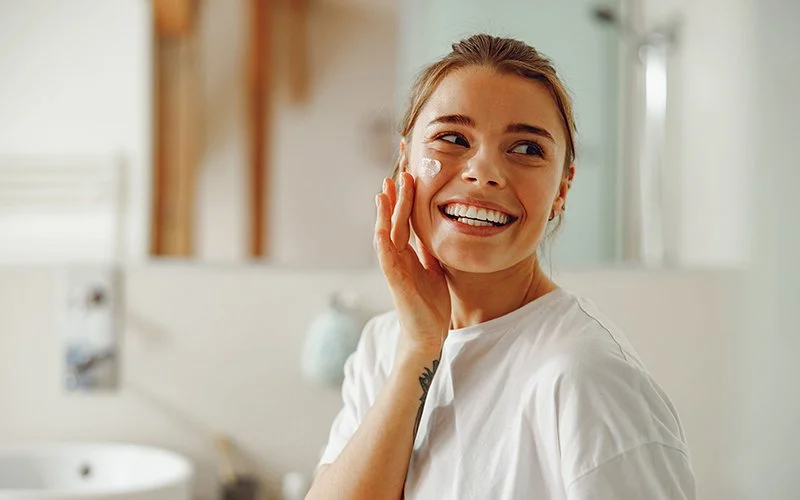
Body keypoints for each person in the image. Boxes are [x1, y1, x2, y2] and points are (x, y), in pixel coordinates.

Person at [306, 33, 696, 500]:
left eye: (527, 149)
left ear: (562, 190)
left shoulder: (586, 378)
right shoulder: (384, 346)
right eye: (452, 138)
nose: (484, 170)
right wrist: (419, 349)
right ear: (404, 159)